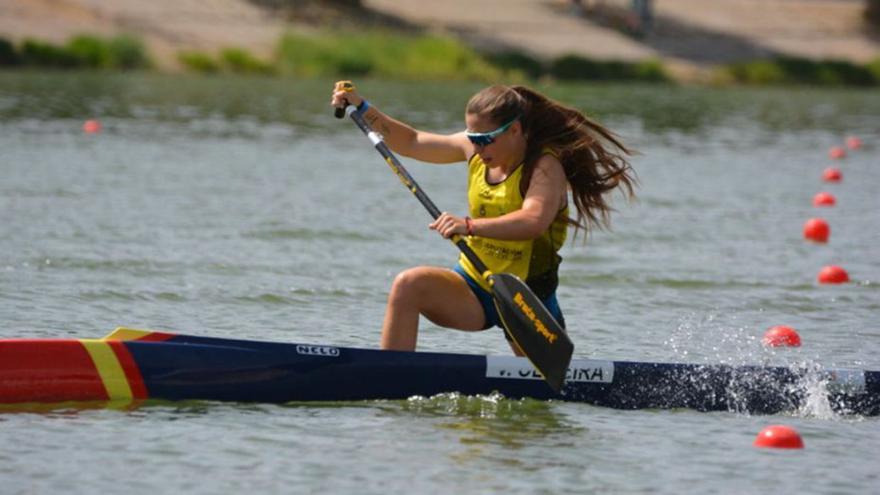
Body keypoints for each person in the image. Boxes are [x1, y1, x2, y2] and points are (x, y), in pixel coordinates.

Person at [331, 82, 636, 355]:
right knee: (408, 285)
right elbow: (412, 141)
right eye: (472, 137)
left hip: (527, 299)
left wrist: (469, 226)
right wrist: (363, 107)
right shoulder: (476, 149)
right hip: (475, 286)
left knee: (540, 396)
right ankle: (390, 377)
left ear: (515, 130)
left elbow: (533, 221)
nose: (477, 147)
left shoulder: (544, 167)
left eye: (486, 139)